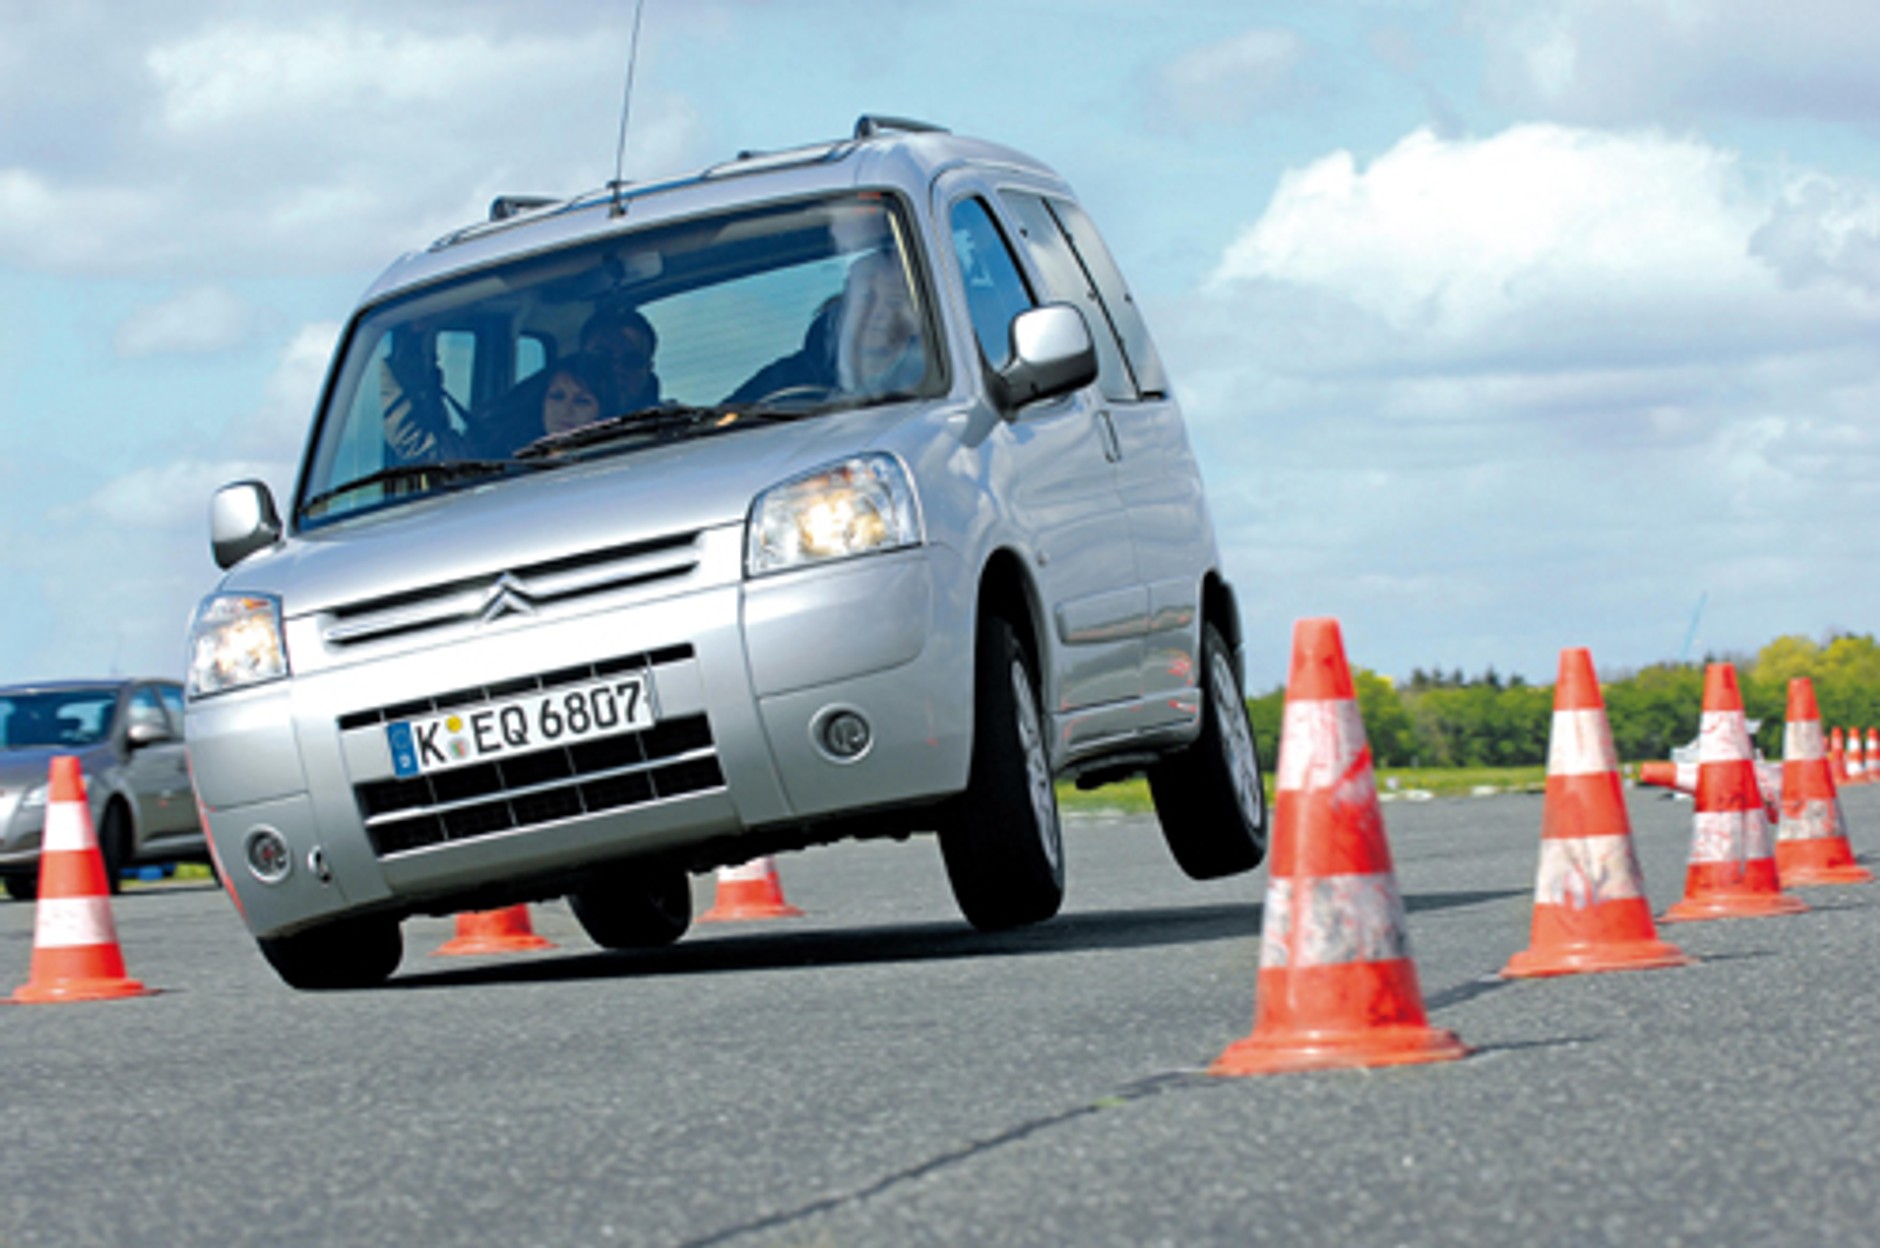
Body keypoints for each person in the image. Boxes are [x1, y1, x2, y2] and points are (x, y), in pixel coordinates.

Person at [579, 305, 662, 413]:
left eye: (632, 361)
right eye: (602, 358)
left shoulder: (674, 424)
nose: (616, 369)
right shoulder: (557, 426)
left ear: (647, 370)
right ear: (580, 363)